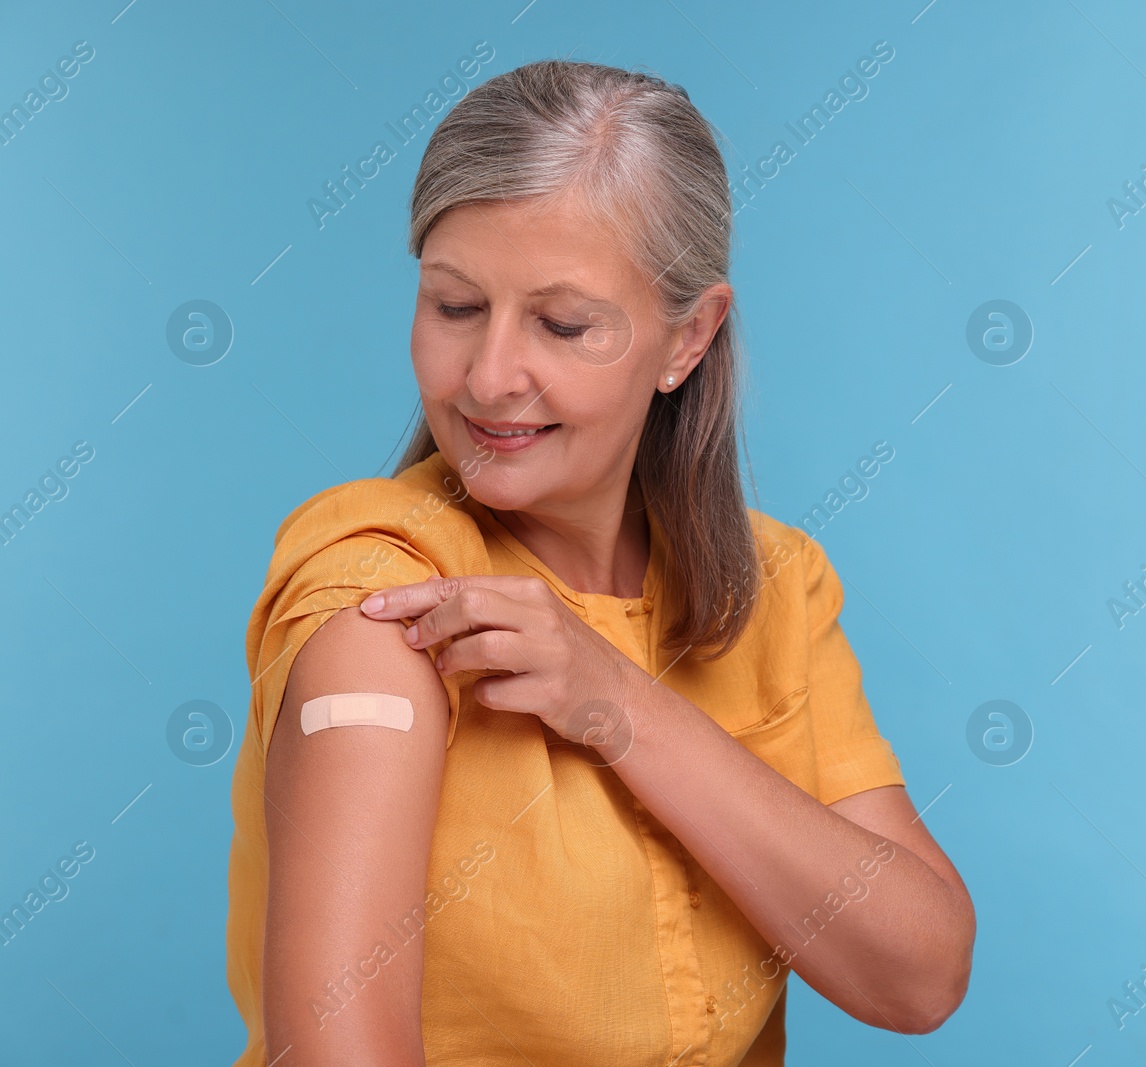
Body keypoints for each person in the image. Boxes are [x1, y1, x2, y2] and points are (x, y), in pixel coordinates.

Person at [225, 58, 975, 1066]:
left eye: (562, 324)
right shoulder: (382, 588)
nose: (489, 377)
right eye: (453, 307)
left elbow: (918, 973)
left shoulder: (776, 586)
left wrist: (616, 702)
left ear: (688, 337)